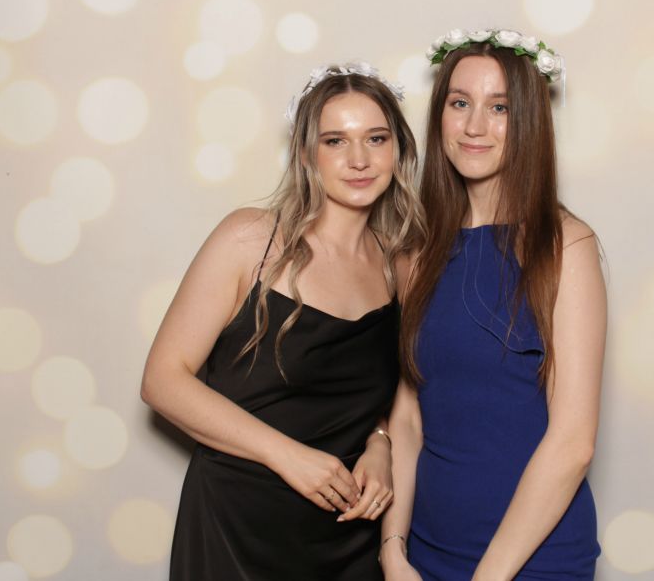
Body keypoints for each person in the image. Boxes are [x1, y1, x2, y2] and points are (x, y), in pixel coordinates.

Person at [141, 62, 424, 580]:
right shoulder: (250, 240)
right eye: (335, 141)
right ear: (306, 153)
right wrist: (289, 457)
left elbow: (396, 397)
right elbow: (162, 381)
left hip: (347, 535)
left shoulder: (401, 265)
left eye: (376, 138)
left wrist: (380, 441)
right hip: (236, 528)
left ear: (398, 150)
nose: (359, 159)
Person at [380, 29, 607, 580]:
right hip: (426, 556)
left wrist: (489, 577)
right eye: (460, 103)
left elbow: (573, 443)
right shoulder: (415, 254)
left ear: (528, 120)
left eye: (499, 108)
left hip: (533, 563)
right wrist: (392, 549)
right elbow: (408, 419)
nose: (475, 126)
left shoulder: (565, 247)